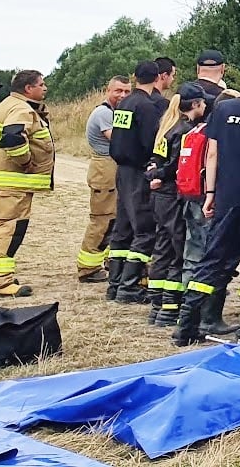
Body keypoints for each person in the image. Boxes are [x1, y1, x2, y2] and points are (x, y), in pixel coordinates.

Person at [177, 57, 240, 346]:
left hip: (227, 196)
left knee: (212, 260)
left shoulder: (224, 108)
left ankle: (186, 326)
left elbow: (212, 154)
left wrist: (210, 194)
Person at [0, 71, 52, 297]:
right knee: (7, 228)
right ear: (28, 88)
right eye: (41, 84)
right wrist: (26, 162)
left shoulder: (5, 105)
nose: (45, 88)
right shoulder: (22, 109)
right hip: (12, 183)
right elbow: (12, 137)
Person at [145, 86, 207, 327]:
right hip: (173, 195)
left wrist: (153, 173)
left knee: (162, 247)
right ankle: (170, 307)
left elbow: (157, 160)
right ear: (195, 105)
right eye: (202, 104)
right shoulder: (185, 131)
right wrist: (161, 174)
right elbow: (176, 165)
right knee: (178, 249)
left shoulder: (167, 127)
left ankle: (157, 304)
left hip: (160, 196)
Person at [107, 61, 165, 305]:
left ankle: (115, 283)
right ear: (158, 78)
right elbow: (150, 141)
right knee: (144, 228)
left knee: (123, 228)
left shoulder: (125, 103)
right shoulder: (146, 106)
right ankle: (130, 286)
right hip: (139, 171)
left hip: (121, 169)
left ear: (135, 77)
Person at [74, 77, 128, 282]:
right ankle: (87, 268)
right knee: (102, 220)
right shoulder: (104, 113)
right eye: (118, 91)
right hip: (104, 168)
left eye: (126, 91)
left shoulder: (113, 112)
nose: (122, 95)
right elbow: (118, 139)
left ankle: (107, 261)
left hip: (110, 167)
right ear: (108, 90)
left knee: (113, 219)